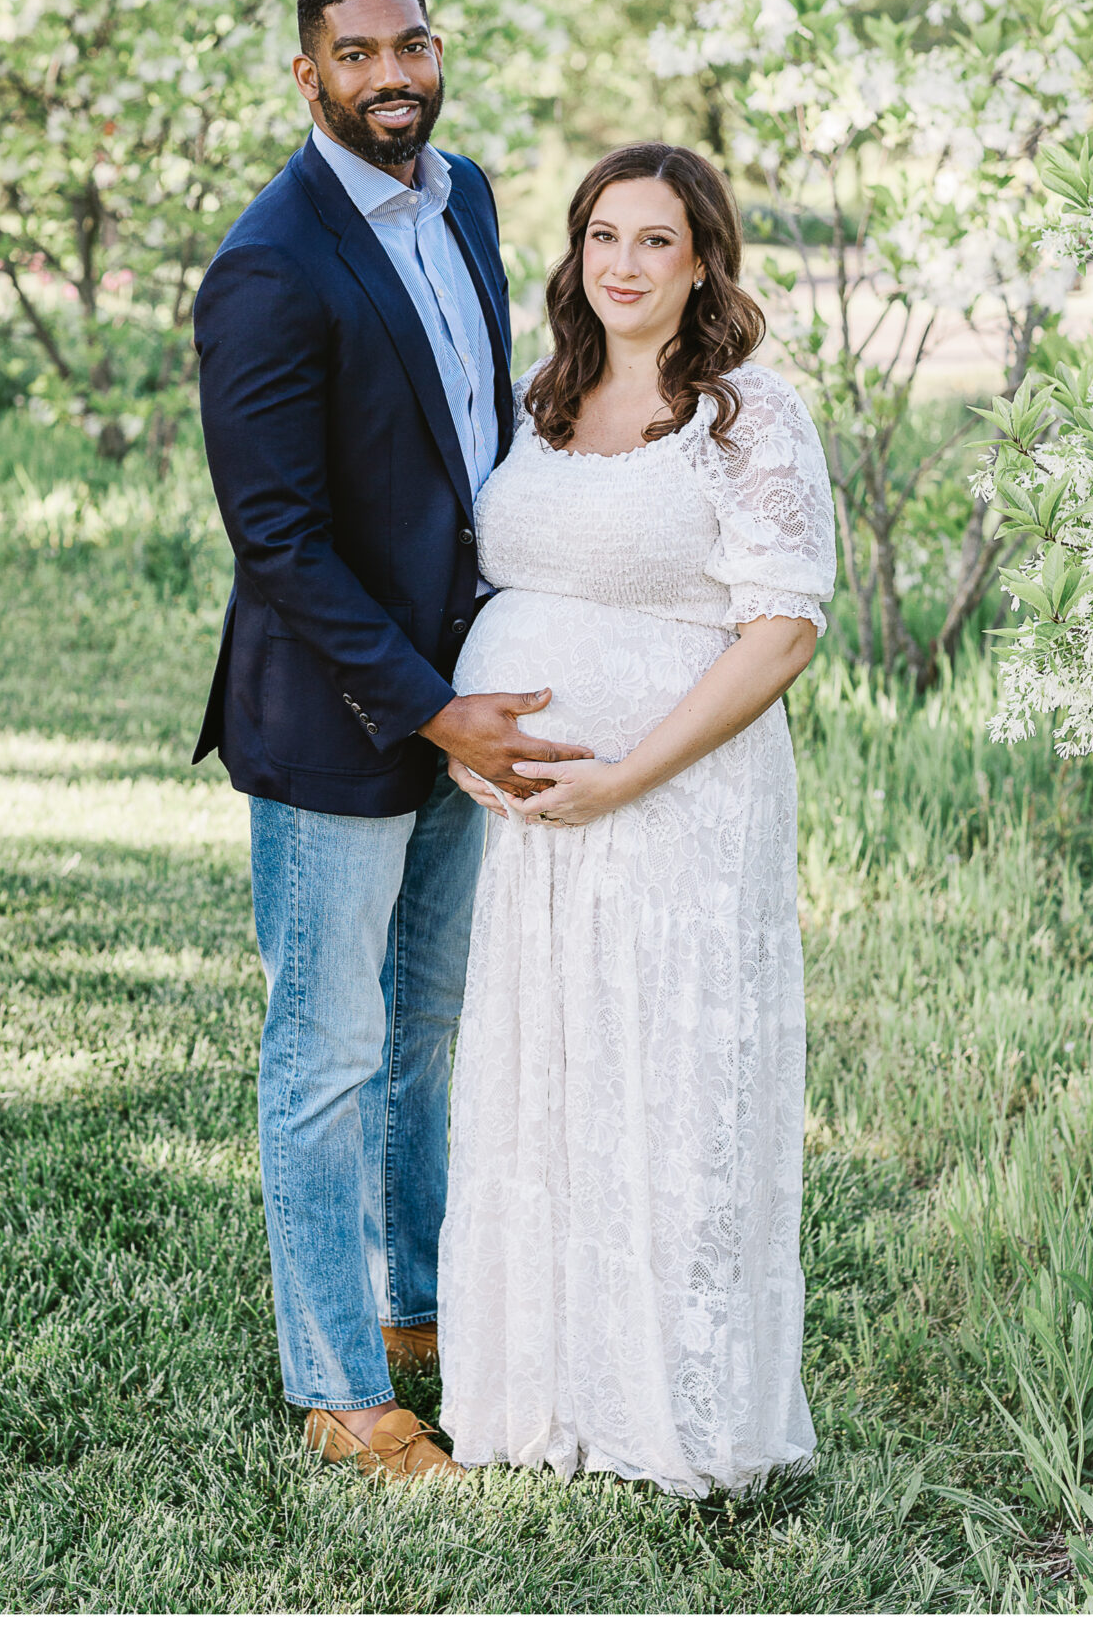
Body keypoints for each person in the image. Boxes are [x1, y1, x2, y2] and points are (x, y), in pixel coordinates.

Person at [192, 0, 591, 1483]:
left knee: (427, 1031)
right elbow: (278, 542)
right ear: (310, 78)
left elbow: (472, 432)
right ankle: (341, 1388)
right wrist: (434, 713)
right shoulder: (269, 266)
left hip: (467, 692)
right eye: (355, 55)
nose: (391, 76)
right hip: (342, 721)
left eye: (410, 45)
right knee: (327, 1054)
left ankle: (419, 1311)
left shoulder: (465, 195)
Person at [437, 142, 836, 1494]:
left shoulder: (748, 416)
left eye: (657, 240)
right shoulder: (538, 397)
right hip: (534, 833)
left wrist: (626, 774)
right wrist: (465, 728)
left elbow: (783, 631)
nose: (624, 263)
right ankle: (540, 1391)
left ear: (704, 260)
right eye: (604, 235)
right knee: (548, 1087)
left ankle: (677, 1410)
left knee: (664, 1088)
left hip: (681, 809)